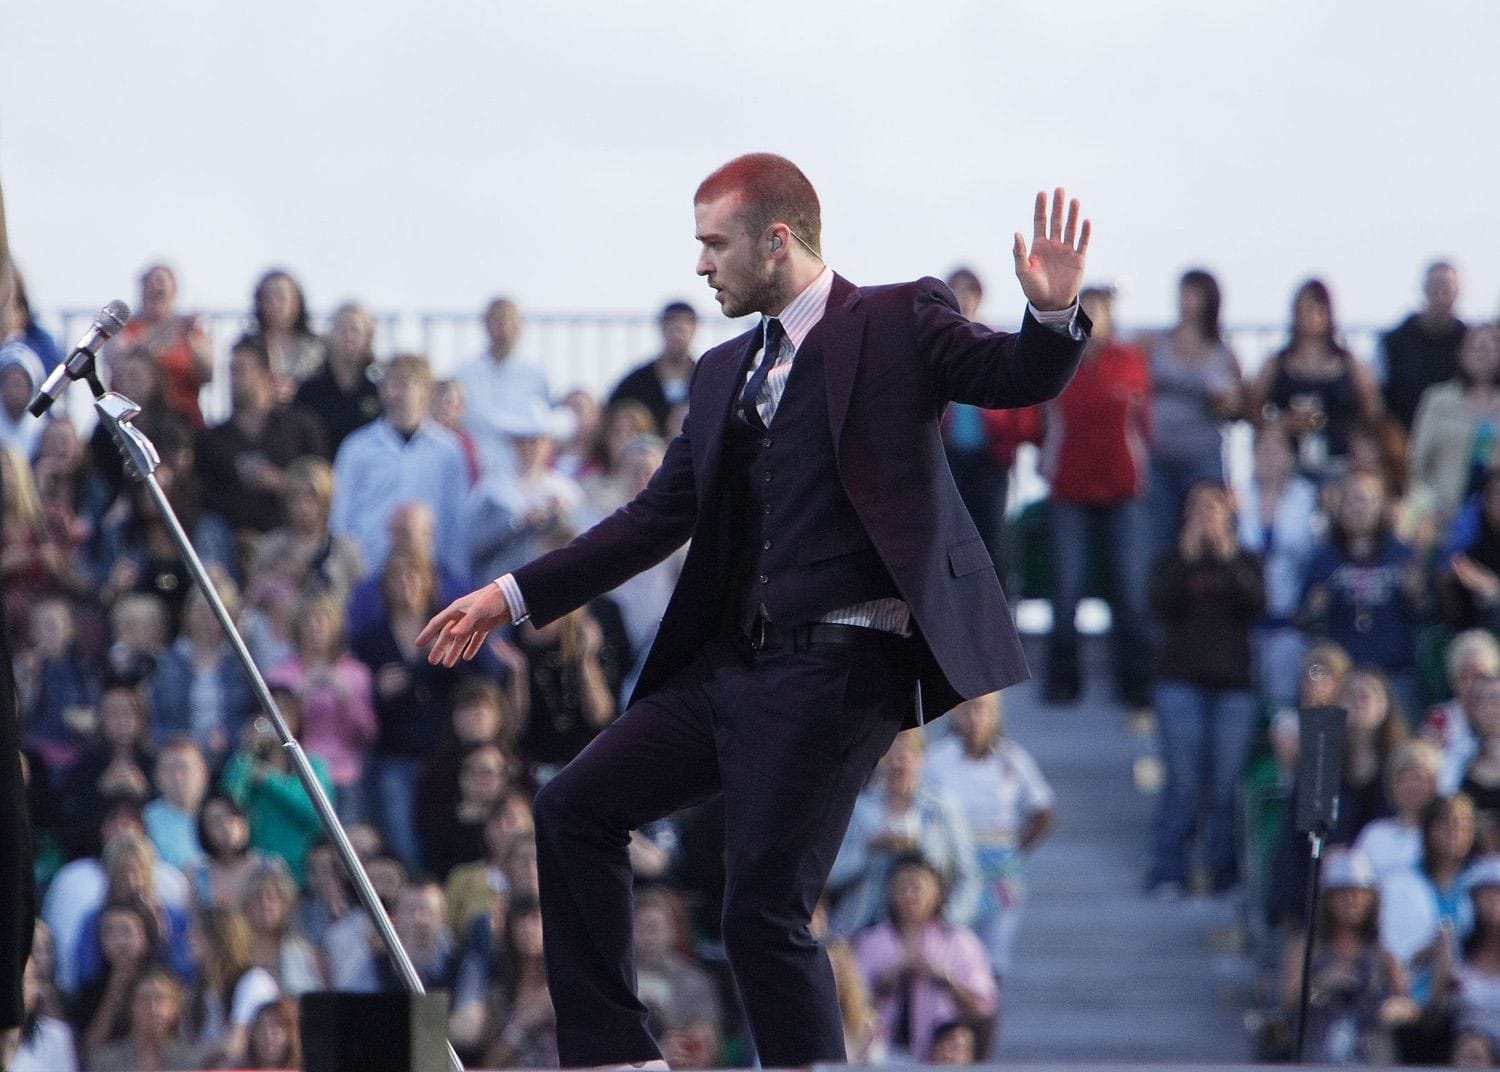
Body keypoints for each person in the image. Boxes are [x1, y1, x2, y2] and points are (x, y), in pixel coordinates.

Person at [419, 154, 1090, 1066]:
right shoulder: (721, 368)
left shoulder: (896, 317)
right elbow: (655, 518)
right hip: (734, 666)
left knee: (761, 908)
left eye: (713, 244)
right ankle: (616, 1054)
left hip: (846, 662)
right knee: (573, 807)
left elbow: (1014, 374)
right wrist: (510, 596)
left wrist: (1050, 314)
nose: (700, 267)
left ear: (777, 241)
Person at [1144, 482, 1264, 897]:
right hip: (1180, 681)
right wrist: (1188, 557)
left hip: (1233, 685)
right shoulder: (1170, 559)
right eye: (1198, 507)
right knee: (1181, 781)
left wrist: (1228, 557)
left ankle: (1223, 872)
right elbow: (1158, 605)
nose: (1206, 514)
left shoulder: (1246, 559)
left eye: (1214, 506)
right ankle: (1168, 870)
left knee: (1226, 782)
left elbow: (1256, 605)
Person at [1038, 284, 1152, 708]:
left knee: (1131, 593)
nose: (1092, 318)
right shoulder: (1057, 362)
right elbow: (1040, 422)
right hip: (1069, 491)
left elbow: (1145, 425)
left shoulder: (1131, 362)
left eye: (1099, 311)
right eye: (1086, 310)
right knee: (1065, 593)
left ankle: (1136, 687)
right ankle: (1062, 685)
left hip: (1123, 492)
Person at [921, 691, 1053, 984]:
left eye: (982, 709)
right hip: (952, 870)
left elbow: (1044, 810)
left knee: (994, 962)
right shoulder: (936, 759)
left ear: (996, 714)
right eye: (966, 710)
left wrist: (1017, 851)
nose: (974, 718)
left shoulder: (1012, 759)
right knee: (951, 953)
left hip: (1000, 874)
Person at [329, 353, 469, 580]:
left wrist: (456, 575)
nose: (393, 392)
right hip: (368, 573)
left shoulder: (449, 451)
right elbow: (340, 516)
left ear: (426, 390)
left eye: (403, 384)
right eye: (387, 384)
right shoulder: (357, 447)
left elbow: (457, 519)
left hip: (429, 577)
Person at [851, 852, 998, 1061]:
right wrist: (885, 981)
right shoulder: (871, 941)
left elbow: (984, 1007)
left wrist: (945, 978)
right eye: (902, 888)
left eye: (917, 888)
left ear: (937, 892)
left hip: (944, 1056)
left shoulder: (959, 940)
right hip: (881, 1055)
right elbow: (848, 1005)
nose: (909, 896)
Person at [1140, 268, 1244, 558]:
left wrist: (1221, 400)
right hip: (1157, 456)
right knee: (1158, 538)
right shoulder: (1154, 343)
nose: (1186, 300)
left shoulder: (1223, 353)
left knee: (1209, 535)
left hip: (1203, 458)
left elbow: (1237, 407)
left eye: (1193, 293)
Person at [1247, 278, 1381, 484]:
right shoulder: (1277, 363)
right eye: (1302, 309)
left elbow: (1371, 407)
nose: (1309, 316)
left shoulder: (1348, 362)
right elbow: (1252, 405)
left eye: (1316, 309)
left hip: (1339, 461)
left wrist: (1355, 439)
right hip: (1289, 465)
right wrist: (1280, 424)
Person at [194, 337, 326, 540]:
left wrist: (281, 483)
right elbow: (204, 496)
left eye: (242, 370)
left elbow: (323, 482)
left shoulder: (301, 427)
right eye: (231, 370)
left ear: (265, 375)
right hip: (232, 537)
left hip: (290, 537)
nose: (233, 379)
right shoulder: (213, 438)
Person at [1408, 323, 1500, 535]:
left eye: (1491, 347)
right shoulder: (1438, 400)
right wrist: (1430, 506)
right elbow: (1418, 460)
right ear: (1461, 354)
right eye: (1476, 347)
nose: (1483, 353)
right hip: (1443, 515)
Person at [453, 297, 553, 481]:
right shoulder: (465, 373)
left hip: (520, 477)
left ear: (520, 326)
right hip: (472, 471)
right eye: (498, 320)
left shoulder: (536, 374)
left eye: (510, 320)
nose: (504, 328)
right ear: (486, 325)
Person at [113, 265, 214, 430]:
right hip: (132, 422)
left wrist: (190, 337)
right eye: (149, 283)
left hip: (183, 422)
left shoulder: (189, 330)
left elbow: (207, 374)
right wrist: (161, 331)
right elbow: (116, 361)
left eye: (161, 282)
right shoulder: (125, 329)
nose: (155, 287)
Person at [1378, 260, 1467, 432]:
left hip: (1456, 442)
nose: (1441, 293)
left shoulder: (1468, 342)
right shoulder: (1394, 342)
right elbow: (1378, 399)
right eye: (1435, 286)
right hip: (1403, 438)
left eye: (1447, 287)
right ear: (1424, 289)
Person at [293, 301, 382, 454]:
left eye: (355, 331)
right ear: (329, 335)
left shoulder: (379, 392)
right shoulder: (309, 392)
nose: (349, 337)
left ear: (368, 339)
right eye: (342, 329)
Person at [608, 300, 699, 436]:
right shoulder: (635, 384)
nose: (678, 334)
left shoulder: (707, 380)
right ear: (662, 328)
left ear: (694, 330)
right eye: (672, 325)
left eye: (684, 326)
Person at [237, 269, 326, 400]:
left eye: (281, 298)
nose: (275, 304)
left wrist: (298, 389)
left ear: (297, 301)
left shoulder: (317, 346)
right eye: (268, 298)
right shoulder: (248, 346)